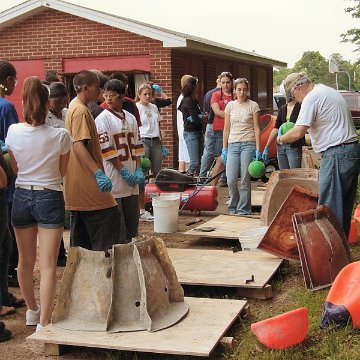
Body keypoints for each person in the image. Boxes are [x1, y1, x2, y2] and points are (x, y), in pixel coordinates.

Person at [5, 76, 72, 331]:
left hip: (21, 194)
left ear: (23, 103)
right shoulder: (60, 135)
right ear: (47, 104)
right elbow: (62, 171)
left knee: (24, 260)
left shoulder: (13, 131)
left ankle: (32, 311)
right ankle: (44, 322)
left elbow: (14, 166)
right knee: (47, 264)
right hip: (50, 194)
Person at [279, 72, 360, 237]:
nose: (295, 99)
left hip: (336, 154)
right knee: (341, 208)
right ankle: (340, 254)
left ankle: (328, 256)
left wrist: (281, 138)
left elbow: (298, 132)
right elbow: (328, 125)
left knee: (328, 209)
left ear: (298, 87)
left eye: (292, 94)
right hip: (350, 151)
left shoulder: (311, 97)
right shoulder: (326, 91)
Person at [64, 70, 122, 251]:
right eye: (98, 86)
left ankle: (81, 272)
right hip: (88, 184)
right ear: (85, 88)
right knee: (108, 220)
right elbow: (78, 145)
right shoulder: (80, 111)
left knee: (81, 240)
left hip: (77, 185)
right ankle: (103, 270)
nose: (101, 90)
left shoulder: (76, 107)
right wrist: (97, 172)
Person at [96, 79, 144, 242]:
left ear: (122, 97)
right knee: (118, 225)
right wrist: (122, 170)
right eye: (106, 95)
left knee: (133, 223)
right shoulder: (103, 119)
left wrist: (138, 168)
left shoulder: (130, 118)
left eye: (113, 95)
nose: (108, 99)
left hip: (132, 176)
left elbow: (137, 145)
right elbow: (106, 148)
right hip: (114, 177)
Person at [222, 78, 261, 215]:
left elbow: (257, 128)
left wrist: (258, 148)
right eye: (239, 89)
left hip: (248, 144)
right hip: (232, 144)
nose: (242, 92)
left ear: (247, 90)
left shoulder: (253, 105)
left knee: (244, 178)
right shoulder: (230, 106)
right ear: (234, 90)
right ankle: (233, 205)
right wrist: (224, 148)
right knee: (231, 179)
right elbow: (226, 128)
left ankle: (243, 209)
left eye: (244, 89)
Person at [0, 61, 20, 290]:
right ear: (7, 81)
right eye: (13, 80)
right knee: (7, 233)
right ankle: (9, 274)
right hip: (6, 174)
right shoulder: (5, 108)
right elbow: (13, 144)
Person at [46, 81, 69, 267]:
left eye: (63, 100)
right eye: (57, 101)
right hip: (53, 167)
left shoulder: (67, 113)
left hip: (69, 164)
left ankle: (61, 252)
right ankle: (58, 254)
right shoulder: (44, 119)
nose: (61, 104)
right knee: (54, 213)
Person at [136, 83, 163, 221]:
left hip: (155, 140)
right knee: (143, 172)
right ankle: (141, 208)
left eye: (149, 94)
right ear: (139, 95)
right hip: (144, 140)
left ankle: (156, 203)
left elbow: (158, 124)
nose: (147, 96)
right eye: (145, 94)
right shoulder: (137, 107)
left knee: (157, 171)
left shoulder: (153, 107)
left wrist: (161, 141)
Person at [262, 97, 304, 169]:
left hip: (293, 146)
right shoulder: (283, 108)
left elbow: (303, 128)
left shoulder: (301, 107)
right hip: (281, 146)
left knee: (295, 175)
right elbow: (276, 128)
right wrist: (267, 147)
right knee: (283, 175)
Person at [209, 72, 234, 186]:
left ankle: (229, 185)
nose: (225, 85)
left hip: (234, 129)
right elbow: (217, 112)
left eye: (228, 82)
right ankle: (211, 186)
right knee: (220, 159)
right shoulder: (216, 95)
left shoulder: (236, 94)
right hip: (220, 129)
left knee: (232, 160)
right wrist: (233, 115)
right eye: (223, 82)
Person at [178, 76, 206, 176]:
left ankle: (198, 180)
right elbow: (195, 118)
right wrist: (202, 117)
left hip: (197, 131)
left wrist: (201, 116)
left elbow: (198, 115)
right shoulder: (187, 100)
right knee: (194, 162)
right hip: (191, 132)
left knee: (199, 160)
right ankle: (186, 178)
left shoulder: (194, 100)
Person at [199, 76, 221, 178]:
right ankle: (223, 177)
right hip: (220, 125)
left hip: (209, 124)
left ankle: (202, 175)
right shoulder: (222, 95)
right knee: (222, 153)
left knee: (207, 151)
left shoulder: (208, 94)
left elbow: (206, 110)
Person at [176, 74, 192, 173]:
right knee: (187, 156)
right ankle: (185, 173)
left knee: (183, 155)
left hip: (183, 130)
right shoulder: (184, 98)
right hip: (186, 130)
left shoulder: (182, 97)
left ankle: (181, 172)